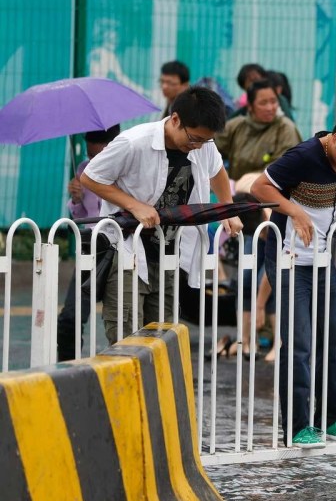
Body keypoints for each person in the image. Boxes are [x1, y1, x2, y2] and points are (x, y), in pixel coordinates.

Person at [250, 109, 336, 446]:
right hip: (290, 260)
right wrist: (293, 211)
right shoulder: (304, 156)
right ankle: (296, 426)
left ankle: (330, 418)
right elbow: (260, 186)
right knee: (299, 344)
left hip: (322, 262)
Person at [81, 87, 243, 346]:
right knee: (127, 337)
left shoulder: (204, 145)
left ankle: (156, 388)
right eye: (195, 138)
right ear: (175, 119)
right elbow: (90, 177)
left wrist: (228, 208)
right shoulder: (133, 143)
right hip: (128, 251)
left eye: (204, 141)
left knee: (162, 337)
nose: (198, 146)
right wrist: (134, 205)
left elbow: (217, 171)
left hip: (170, 253)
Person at [216, 78, 302, 358]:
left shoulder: (285, 129)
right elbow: (211, 150)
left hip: (274, 209)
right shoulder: (237, 127)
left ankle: (278, 342)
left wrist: (252, 180)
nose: (270, 107)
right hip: (244, 212)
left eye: (274, 102)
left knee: (274, 274)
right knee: (245, 277)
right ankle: (245, 339)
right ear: (250, 106)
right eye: (263, 102)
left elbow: (283, 172)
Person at [57, 125, 120, 361]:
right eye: (89, 155)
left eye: (97, 155)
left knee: (120, 324)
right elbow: (81, 216)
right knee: (69, 318)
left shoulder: (125, 170)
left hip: (119, 251)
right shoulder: (84, 170)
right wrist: (77, 199)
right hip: (91, 250)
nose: (92, 161)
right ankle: (68, 369)